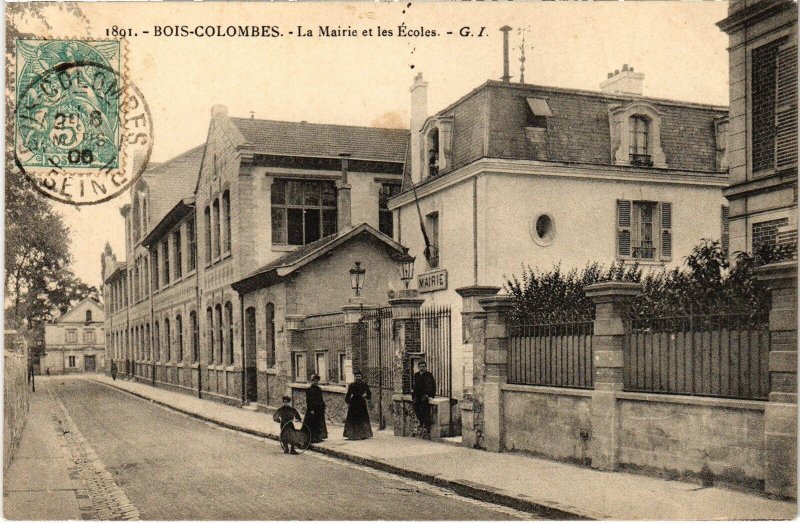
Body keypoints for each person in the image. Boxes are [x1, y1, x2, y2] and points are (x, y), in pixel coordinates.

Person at [343, 371, 373, 440]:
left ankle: (363, 434)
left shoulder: (364, 385)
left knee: (362, 418)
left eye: (359, 376)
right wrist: (348, 402)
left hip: (361, 404)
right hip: (354, 404)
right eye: (356, 376)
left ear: (361, 377)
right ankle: (352, 434)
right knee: (353, 419)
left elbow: (369, 395)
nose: (358, 378)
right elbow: (348, 395)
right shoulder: (351, 385)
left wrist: (366, 396)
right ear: (354, 377)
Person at [412, 360, 436, 439]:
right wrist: (414, 396)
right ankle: (422, 422)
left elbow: (432, 386)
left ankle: (425, 424)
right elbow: (415, 387)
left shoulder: (429, 375)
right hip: (418, 395)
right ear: (418, 367)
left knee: (424, 406)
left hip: (425, 394)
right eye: (420, 366)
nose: (422, 368)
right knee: (415, 406)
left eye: (423, 366)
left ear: (425, 367)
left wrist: (428, 395)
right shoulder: (416, 375)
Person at [304, 374, 328, 443]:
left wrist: (323, 406)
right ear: (311, 381)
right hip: (312, 409)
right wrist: (311, 410)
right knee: (312, 423)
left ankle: (318, 437)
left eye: (317, 381)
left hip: (319, 409)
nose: (316, 382)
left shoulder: (319, 389)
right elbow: (308, 401)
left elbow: (321, 399)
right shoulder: (309, 390)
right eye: (314, 381)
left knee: (319, 423)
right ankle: (312, 437)